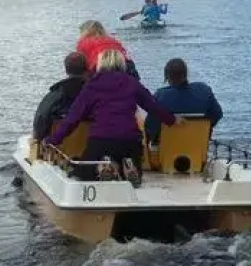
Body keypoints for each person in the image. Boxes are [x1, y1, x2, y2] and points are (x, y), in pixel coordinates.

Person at [45, 48, 178, 185]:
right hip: (130, 141)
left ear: (100, 64)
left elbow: (73, 118)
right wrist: (172, 120)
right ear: (121, 64)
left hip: (101, 140)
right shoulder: (131, 82)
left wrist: (52, 140)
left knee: (83, 172)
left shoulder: (92, 85)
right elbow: (153, 106)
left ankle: (104, 165)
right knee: (133, 173)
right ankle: (128, 166)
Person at [145, 58, 222, 145]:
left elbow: (150, 125)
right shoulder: (203, 90)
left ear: (167, 76)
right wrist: (206, 128)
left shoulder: (160, 96)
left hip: (169, 148)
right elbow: (217, 114)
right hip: (197, 146)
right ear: (186, 74)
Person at [32, 52, 89, 141]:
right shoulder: (95, 92)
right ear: (86, 69)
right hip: (91, 144)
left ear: (66, 70)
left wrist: (39, 137)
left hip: (59, 147)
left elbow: (41, 118)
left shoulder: (55, 95)